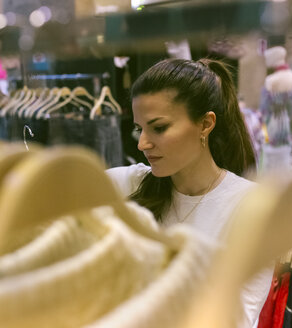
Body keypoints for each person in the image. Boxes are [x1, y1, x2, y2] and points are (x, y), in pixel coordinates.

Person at [106, 58, 271, 328]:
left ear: (205, 124)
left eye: (158, 128)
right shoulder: (128, 184)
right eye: (139, 128)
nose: (142, 143)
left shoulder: (250, 207)